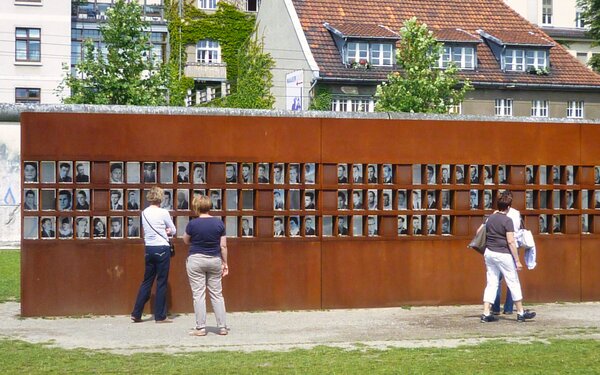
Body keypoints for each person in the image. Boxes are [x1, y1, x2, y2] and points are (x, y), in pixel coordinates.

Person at [480, 193, 536, 323]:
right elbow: (511, 241)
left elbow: (479, 232)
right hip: (503, 254)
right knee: (513, 282)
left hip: (489, 253)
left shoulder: (490, 218)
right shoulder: (507, 221)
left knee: (491, 283)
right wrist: (517, 260)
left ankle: (486, 313)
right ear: (509, 207)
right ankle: (521, 312)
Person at [182, 195, 228, 336]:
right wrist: (225, 263)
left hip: (196, 259)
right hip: (214, 259)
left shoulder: (192, 224)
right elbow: (223, 246)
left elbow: (185, 240)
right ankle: (222, 327)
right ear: (209, 206)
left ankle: (201, 328)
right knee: (217, 294)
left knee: (199, 294)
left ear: (196, 207)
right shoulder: (219, 223)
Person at [132, 187, 176, 324]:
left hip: (149, 248)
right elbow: (173, 230)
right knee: (161, 282)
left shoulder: (144, 212)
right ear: (160, 198)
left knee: (147, 281)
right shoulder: (163, 212)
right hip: (162, 248)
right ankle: (160, 316)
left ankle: (136, 313)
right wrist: (167, 230)